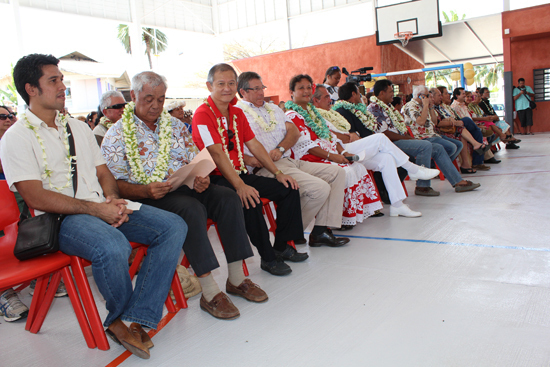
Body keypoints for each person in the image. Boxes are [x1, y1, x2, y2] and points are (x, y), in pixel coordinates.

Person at [1, 54, 186, 359]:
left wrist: (112, 200)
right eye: (54, 80)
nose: (63, 86)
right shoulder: (15, 138)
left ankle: (135, 318)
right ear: (30, 89)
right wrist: (96, 210)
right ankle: (121, 319)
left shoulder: (77, 127)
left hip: (100, 206)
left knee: (173, 226)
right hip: (60, 219)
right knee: (113, 245)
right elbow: (35, 197)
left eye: (61, 79)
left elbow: (103, 173)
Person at [102, 71, 267, 320]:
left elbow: (195, 161)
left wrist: (202, 179)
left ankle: (237, 278)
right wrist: (145, 190)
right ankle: (210, 292)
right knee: (191, 209)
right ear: (133, 96)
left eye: (161, 99)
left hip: (185, 186)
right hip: (149, 196)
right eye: (148, 99)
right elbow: (114, 184)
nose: (156, 105)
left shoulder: (176, 126)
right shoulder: (116, 135)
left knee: (227, 197)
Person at [192, 63, 306, 276]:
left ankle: (280, 245)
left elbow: (254, 145)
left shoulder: (236, 112)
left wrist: (278, 173)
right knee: (250, 199)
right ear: (209, 86)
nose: (227, 88)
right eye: (221, 84)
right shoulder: (202, 115)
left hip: (240, 174)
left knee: (289, 188)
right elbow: (217, 154)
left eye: (231, 83)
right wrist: (241, 186)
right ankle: (268, 258)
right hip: (216, 180)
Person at [236, 71, 349, 247]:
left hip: (287, 160)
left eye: (262, 88)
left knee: (337, 173)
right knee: (319, 188)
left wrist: (281, 148)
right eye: (256, 89)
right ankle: (288, 235)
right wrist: (249, 158)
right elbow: (229, 147)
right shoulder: (238, 112)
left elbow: (293, 131)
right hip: (265, 167)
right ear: (243, 92)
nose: (261, 93)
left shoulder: (272, 108)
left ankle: (319, 231)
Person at [314, 84, 439, 217]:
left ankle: (397, 205)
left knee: (387, 158)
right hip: (339, 150)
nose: (330, 100)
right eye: (326, 97)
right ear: (316, 100)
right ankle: (413, 169)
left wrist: (350, 135)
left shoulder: (331, 112)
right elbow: (329, 135)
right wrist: (349, 135)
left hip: (350, 145)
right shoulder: (316, 115)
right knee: (380, 138)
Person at [285, 74, 382, 229]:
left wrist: (343, 153)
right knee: (345, 171)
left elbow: (329, 136)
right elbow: (306, 146)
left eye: (308, 87)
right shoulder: (291, 115)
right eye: (301, 88)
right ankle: (340, 220)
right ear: (292, 92)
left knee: (357, 166)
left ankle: (351, 215)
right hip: (308, 159)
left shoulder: (313, 112)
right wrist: (333, 157)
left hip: (324, 153)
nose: (306, 91)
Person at [366, 79, 480, 194]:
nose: (393, 95)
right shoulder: (375, 108)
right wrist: (408, 138)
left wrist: (428, 107)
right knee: (425, 146)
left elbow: (430, 123)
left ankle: (457, 182)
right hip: (389, 143)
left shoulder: (388, 107)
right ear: (381, 93)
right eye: (391, 92)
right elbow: (384, 133)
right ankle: (422, 186)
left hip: (403, 139)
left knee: (439, 148)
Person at [0, 105, 29, 323]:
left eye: (11, 115)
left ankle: (43, 278)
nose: (9, 119)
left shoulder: (18, 145)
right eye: (3, 116)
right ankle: (4, 291)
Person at [434, 87, 490, 173]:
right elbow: (439, 122)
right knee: (467, 125)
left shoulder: (445, 106)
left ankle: (474, 160)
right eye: (445, 93)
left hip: (456, 126)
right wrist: (454, 122)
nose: (448, 95)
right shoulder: (442, 107)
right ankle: (474, 154)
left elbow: (454, 118)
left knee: (476, 130)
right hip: (448, 129)